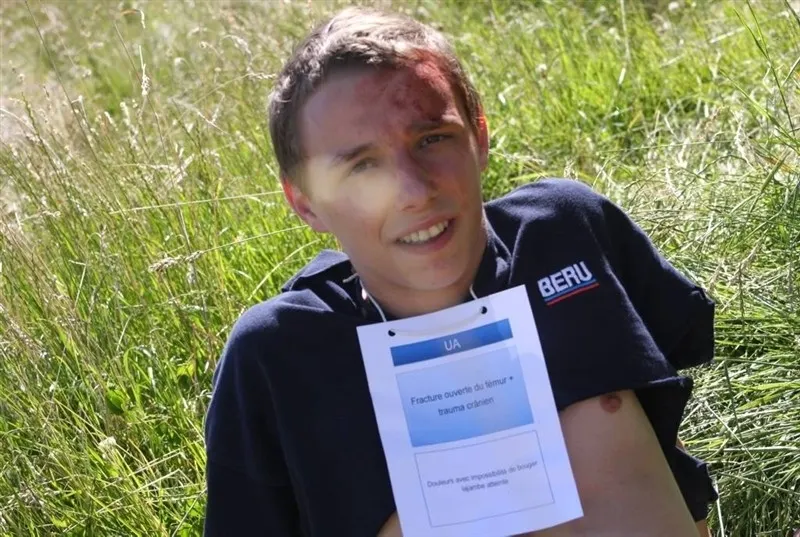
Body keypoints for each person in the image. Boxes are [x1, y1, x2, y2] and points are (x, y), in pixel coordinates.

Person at [203, 6, 719, 536]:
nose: (413, 191)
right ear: (305, 202)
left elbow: (660, 424)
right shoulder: (277, 356)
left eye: (431, 139)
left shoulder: (565, 231)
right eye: (362, 166)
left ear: (479, 136)